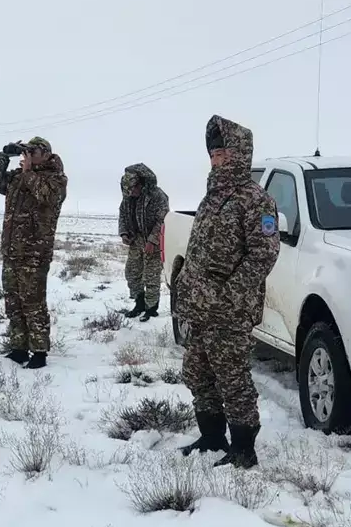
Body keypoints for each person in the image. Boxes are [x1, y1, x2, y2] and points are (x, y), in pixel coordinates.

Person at [173, 115, 280, 468]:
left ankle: (244, 448)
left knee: (232, 378)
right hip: (201, 307)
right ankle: (212, 436)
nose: (216, 161)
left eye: (222, 154)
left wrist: (229, 294)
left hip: (230, 310)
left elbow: (264, 254)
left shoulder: (255, 200)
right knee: (197, 373)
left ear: (239, 155)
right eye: (213, 155)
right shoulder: (212, 198)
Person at [0, 136, 68, 369]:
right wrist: (4, 156)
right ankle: (19, 348)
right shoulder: (18, 177)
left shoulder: (56, 178)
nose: (28, 155)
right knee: (13, 302)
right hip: (12, 251)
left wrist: (29, 172)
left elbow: (47, 197)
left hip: (34, 253)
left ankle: (39, 352)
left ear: (46, 154)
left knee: (33, 303)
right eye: (26, 152)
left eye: (33, 152)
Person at [118, 163, 170, 321]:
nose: (131, 193)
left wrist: (152, 241)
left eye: (133, 189)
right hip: (136, 240)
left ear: (140, 184)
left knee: (151, 276)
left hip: (153, 240)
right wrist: (124, 233)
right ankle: (139, 304)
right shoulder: (128, 197)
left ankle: (151, 309)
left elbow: (162, 220)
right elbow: (123, 215)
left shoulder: (157, 196)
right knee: (132, 273)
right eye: (128, 190)